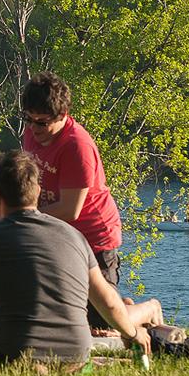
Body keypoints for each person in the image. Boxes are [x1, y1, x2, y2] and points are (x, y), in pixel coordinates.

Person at [0, 151, 162, 370]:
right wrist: (133, 332)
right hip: (77, 358)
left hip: (12, 359)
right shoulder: (74, 236)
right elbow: (108, 302)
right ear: (38, 193)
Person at [20, 71, 123, 330]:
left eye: (42, 123)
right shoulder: (33, 132)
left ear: (63, 115)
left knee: (104, 324)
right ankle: (126, 306)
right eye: (28, 119)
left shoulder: (77, 146)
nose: (34, 129)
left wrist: (23, 217)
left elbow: (70, 209)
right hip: (58, 234)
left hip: (94, 238)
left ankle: (148, 310)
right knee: (66, 319)